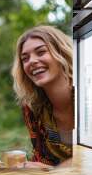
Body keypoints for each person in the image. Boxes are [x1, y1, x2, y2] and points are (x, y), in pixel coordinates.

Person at [11, 26, 73, 166]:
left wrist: (51, 172)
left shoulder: (90, 97)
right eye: (25, 59)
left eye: (41, 52)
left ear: (61, 53)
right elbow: (42, 159)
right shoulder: (33, 108)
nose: (32, 61)